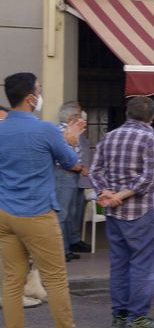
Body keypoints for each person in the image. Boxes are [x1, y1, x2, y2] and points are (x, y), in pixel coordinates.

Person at [0, 72, 103, 328]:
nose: (40, 94)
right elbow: (70, 162)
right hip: (37, 212)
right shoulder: (44, 129)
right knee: (55, 278)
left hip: (5, 212)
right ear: (30, 98)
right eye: (39, 90)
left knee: (12, 281)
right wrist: (70, 139)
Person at [89, 94, 154, 328]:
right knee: (144, 265)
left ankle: (120, 315)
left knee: (119, 264)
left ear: (127, 113)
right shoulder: (150, 138)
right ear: (152, 116)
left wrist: (106, 192)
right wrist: (122, 195)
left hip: (114, 212)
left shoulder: (109, 136)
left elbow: (95, 170)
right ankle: (138, 316)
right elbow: (148, 178)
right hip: (141, 209)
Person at [53, 102, 90, 262]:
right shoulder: (63, 131)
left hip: (70, 174)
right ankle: (61, 250)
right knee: (63, 213)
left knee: (70, 213)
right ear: (72, 116)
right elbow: (65, 158)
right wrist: (79, 167)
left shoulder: (69, 130)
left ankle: (68, 245)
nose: (81, 117)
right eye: (79, 114)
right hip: (65, 174)